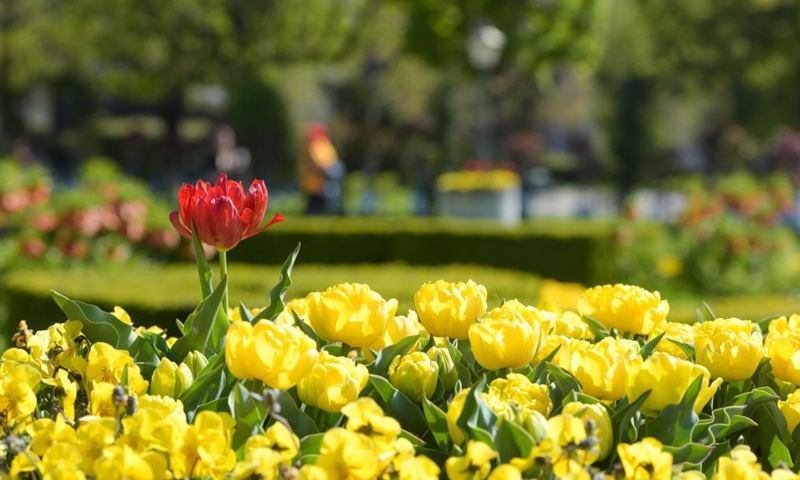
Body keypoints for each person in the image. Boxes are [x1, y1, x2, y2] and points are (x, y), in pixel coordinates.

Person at [300, 123, 342, 215]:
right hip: (315, 186)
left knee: (315, 212)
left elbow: (319, 165)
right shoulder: (327, 146)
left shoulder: (317, 146)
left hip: (317, 186)